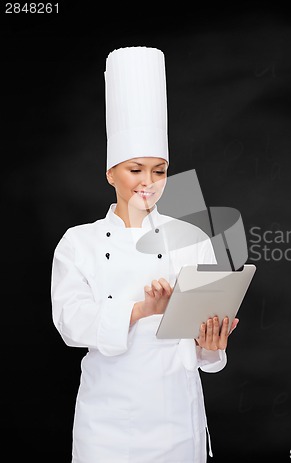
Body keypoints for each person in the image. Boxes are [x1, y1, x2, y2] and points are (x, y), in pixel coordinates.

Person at [51, 46, 238, 462]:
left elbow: (204, 350)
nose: (148, 183)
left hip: (175, 417)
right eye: (135, 170)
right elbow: (70, 324)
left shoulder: (191, 236)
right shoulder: (79, 242)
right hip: (108, 420)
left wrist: (212, 341)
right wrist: (141, 310)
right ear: (110, 173)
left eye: (159, 170)